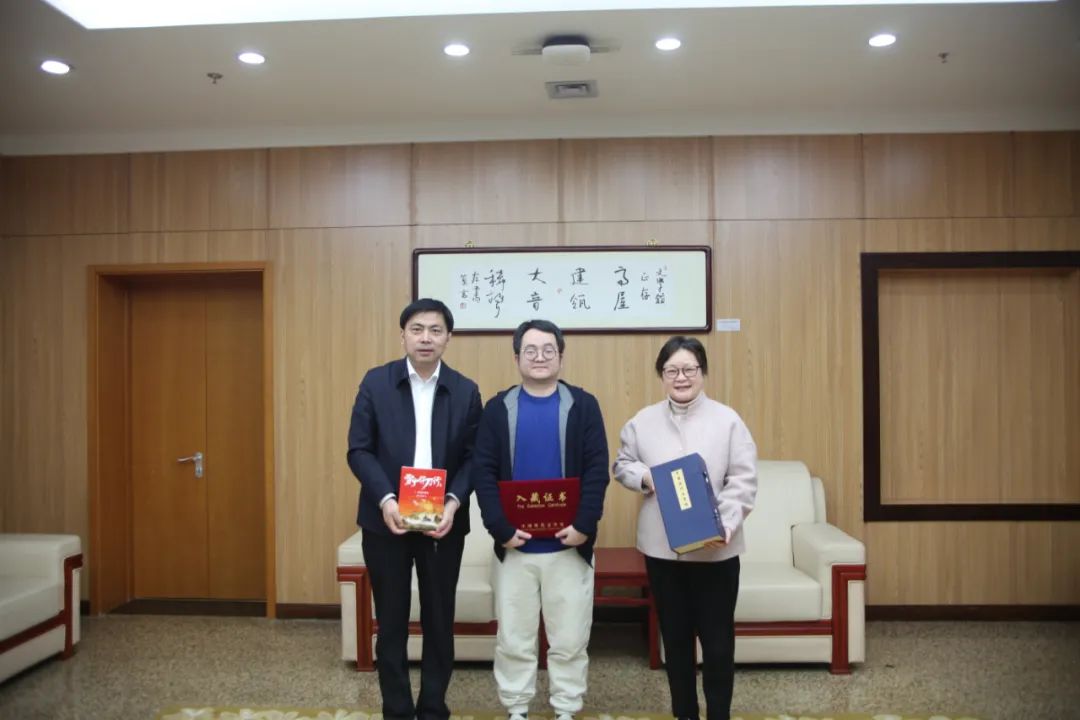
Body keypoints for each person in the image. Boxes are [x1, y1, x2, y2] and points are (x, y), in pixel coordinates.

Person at [346, 298, 483, 720]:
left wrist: (454, 502)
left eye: (436, 330)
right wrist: (386, 499)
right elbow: (359, 450)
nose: (426, 338)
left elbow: (475, 458)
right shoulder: (376, 383)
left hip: (443, 522)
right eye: (417, 329)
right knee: (390, 621)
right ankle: (398, 710)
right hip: (386, 520)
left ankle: (433, 708)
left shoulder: (465, 390)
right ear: (403, 335)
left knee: (440, 620)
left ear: (448, 338)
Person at [612, 336, 757, 720]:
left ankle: (719, 714)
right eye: (672, 370)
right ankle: (685, 714)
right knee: (675, 643)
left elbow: (743, 480)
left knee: (718, 644)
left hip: (717, 553)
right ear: (661, 375)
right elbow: (621, 465)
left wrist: (723, 524)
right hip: (664, 552)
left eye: (689, 369)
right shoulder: (642, 421)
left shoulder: (728, 420)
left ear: (702, 372)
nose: (681, 377)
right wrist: (647, 478)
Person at [472, 319, 610, 720]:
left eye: (549, 349)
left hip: (569, 546)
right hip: (515, 547)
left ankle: (566, 708)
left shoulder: (583, 405)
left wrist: (584, 525)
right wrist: (500, 528)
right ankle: (516, 708)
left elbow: (597, 469)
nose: (539, 357)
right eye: (530, 350)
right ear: (517, 357)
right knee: (514, 638)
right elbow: (483, 471)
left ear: (561, 357)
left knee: (569, 639)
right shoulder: (498, 408)